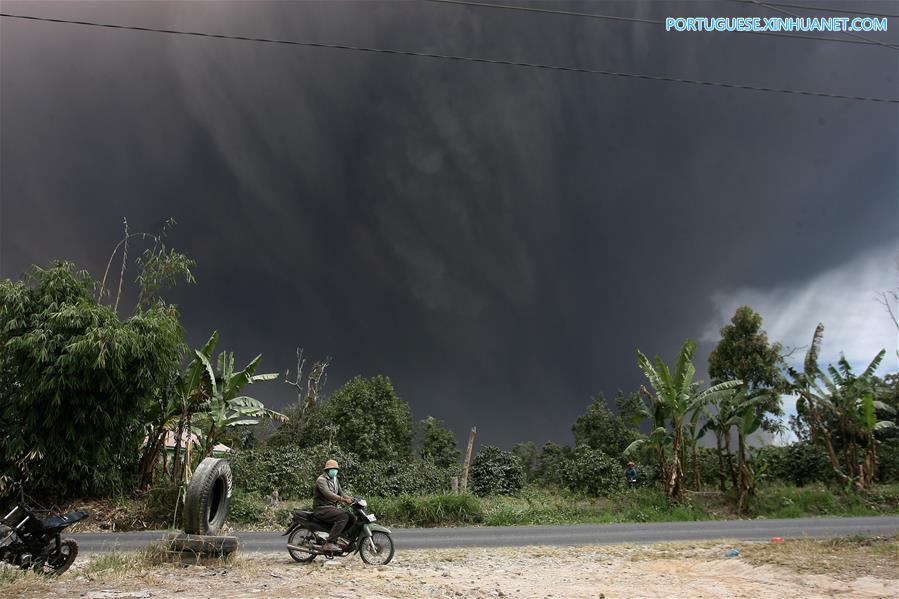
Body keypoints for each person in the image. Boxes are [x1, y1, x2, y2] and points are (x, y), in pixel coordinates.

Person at [313, 459, 355, 552]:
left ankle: (340, 539)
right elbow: (328, 493)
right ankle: (329, 543)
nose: (335, 471)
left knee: (351, 517)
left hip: (331, 508)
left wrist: (352, 499)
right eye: (332, 469)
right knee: (343, 516)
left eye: (336, 469)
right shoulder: (321, 480)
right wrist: (343, 500)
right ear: (327, 470)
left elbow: (342, 493)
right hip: (321, 508)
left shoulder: (335, 480)